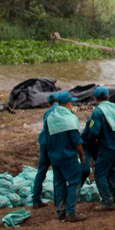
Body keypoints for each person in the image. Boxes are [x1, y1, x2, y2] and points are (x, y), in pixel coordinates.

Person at [81, 86, 115, 211]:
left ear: (95, 98)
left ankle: (107, 201)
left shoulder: (98, 112)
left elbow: (94, 132)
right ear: (108, 97)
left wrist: (88, 141)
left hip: (108, 146)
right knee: (111, 169)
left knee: (99, 173)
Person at [43, 92, 86, 222]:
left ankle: (60, 211)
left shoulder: (51, 117)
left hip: (54, 156)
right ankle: (71, 212)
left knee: (59, 183)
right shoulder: (69, 118)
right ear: (68, 104)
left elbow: (46, 138)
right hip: (68, 156)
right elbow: (76, 140)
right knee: (74, 182)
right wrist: (82, 155)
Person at [31, 92, 58, 208]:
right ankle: (58, 199)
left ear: (48, 103)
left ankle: (36, 199)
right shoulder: (62, 111)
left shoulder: (47, 112)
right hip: (54, 143)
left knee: (41, 171)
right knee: (57, 171)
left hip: (44, 142)